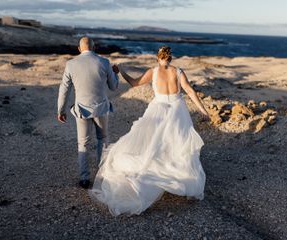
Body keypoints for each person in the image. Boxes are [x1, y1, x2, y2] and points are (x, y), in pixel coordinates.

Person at [90, 46, 209, 216]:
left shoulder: (153, 72)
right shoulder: (178, 72)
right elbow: (190, 91)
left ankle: (156, 172)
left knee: (153, 142)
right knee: (178, 144)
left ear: (157, 57)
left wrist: (122, 70)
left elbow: (134, 83)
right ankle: (183, 179)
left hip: (157, 110)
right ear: (171, 57)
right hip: (177, 110)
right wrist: (203, 111)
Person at [57, 37, 119, 189]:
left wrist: (61, 110)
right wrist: (115, 73)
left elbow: (64, 89)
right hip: (101, 109)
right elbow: (114, 87)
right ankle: (102, 175)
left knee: (83, 143)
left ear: (79, 49)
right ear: (94, 47)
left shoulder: (71, 64)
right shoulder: (104, 62)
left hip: (82, 109)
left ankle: (84, 178)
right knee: (103, 139)